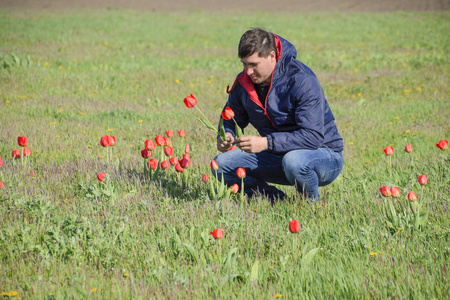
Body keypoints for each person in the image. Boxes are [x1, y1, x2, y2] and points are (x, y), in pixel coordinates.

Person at [212, 27, 344, 202]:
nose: (248, 71)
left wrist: (266, 142)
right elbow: (230, 117)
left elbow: (313, 137)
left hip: (323, 155)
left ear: (272, 56)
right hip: (278, 154)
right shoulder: (244, 82)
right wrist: (226, 134)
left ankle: (312, 205)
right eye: (244, 64)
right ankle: (275, 201)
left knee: (294, 161)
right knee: (221, 165)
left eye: (253, 64)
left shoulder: (302, 80)